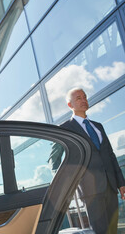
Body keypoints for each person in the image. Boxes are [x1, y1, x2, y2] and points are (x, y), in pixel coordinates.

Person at [48, 87, 125, 233]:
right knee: (101, 230)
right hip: (89, 191)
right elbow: (53, 160)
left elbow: (110, 155)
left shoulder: (98, 126)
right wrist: (64, 184)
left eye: (84, 97)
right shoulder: (65, 129)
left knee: (113, 230)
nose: (84, 100)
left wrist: (121, 182)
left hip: (111, 186)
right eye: (78, 98)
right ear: (70, 105)